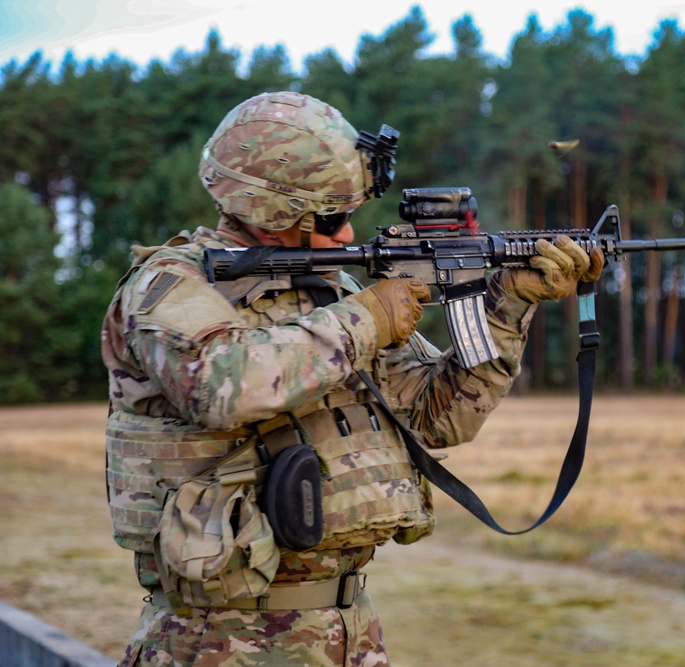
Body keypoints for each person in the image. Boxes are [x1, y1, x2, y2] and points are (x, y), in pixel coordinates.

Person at [102, 90, 603, 666]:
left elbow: (437, 420)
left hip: (347, 633)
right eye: (332, 218)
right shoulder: (169, 286)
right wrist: (369, 318)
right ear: (274, 210)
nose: (346, 237)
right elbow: (224, 383)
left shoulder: (334, 290)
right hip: (217, 643)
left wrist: (508, 304)